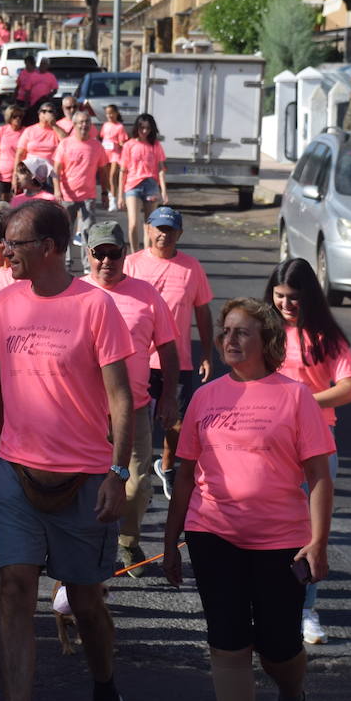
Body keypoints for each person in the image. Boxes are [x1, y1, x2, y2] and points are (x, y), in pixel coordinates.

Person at [0, 200, 135, 701]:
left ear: (47, 248)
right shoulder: (4, 302)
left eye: (14, 245)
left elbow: (122, 399)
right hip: (14, 474)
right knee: (15, 589)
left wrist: (118, 473)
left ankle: (104, 691)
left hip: (84, 481)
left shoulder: (95, 307)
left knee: (87, 603)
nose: (4, 254)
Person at [163, 298, 335, 701]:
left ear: (267, 342)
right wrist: (170, 541)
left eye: (242, 332)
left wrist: (318, 542)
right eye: (226, 332)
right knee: (228, 639)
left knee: (279, 647)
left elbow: (319, 475)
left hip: (281, 540)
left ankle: (293, 698)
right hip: (212, 532)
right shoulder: (204, 396)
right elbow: (184, 473)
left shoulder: (294, 395)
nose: (230, 340)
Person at [264, 257, 351, 645]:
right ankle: (269, 604)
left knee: (310, 531)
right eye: (280, 296)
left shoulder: (326, 337)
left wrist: (303, 401)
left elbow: (350, 388)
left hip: (316, 446)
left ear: (310, 298)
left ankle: (307, 610)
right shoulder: (264, 329)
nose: (286, 304)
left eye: (294, 298)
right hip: (266, 445)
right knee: (267, 527)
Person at [80, 221, 178, 576]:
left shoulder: (146, 294)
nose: (106, 260)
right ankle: (84, 552)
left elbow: (167, 348)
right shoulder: (75, 292)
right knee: (84, 486)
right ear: (87, 255)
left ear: (125, 255)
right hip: (85, 410)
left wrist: (168, 396)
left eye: (114, 253)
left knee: (136, 484)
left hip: (134, 408)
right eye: (99, 253)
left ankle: (128, 540)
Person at [123, 206, 214, 499]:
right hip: (138, 360)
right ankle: (137, 473)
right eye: (159, 228)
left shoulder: (192, 268)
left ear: (180, 234)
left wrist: (208, 353)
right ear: (148, 229)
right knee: (139, 421)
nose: (164, 235)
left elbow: (202, 311)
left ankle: (167, 465)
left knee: (177, 422)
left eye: (170, 230)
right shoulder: (131, 264)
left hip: (179, 359)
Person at [52, 112, 106, 268]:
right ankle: (66, 262)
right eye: (81, 122)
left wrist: (104, 192)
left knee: (88, 231)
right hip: (68, 195)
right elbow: (56, 168)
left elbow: (103, 171)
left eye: (87, 122)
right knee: (65, 231)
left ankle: (87, 266)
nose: (84, 125)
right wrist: (57, 189)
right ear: (74, 125)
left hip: (88, 196)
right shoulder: (65, 144)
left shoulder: (96, 146)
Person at [119, 114, 167, 250]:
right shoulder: (129, 145)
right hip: (132, 185)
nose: (145, 131)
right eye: (142, 128)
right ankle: (134, 253)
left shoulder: (155, 145)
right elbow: (123, 170)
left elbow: (161, 169)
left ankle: (146, 254)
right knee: (133, 223)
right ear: (137, 128)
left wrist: (163, 191)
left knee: (150, 224)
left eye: (148, 128)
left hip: (151, 185)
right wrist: (119, 195)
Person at [0, 105, 26, 203]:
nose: (18, 119)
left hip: (20, 172)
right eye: (15, 116)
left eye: (20, 116)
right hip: (3, 172)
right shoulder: (2, 130)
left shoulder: (25, 131)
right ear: (9, 117)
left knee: (18, 199)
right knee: (5, 200)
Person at [15, 101, 62, 166]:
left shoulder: (57, 130)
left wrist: (53, 125)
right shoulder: (29, 130)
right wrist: (16, 172)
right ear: (39, 114)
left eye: (50, 111)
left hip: (49, 171)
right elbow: (20, 153)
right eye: (44, 111)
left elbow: (66, 143)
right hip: (31, 170)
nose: (47, 114)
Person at [99, 105, 128, 212]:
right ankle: (111, 195)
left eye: (112, 113)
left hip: (115, 154)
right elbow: (103, 137)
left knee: (112, 176)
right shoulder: (105, 125)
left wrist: (121, 143)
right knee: (106, 177)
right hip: (105, 153)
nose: (110, 115)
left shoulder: (120, 126)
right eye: (107, 113)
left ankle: (113, 201)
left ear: (116, 113)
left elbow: (122, 141)